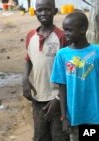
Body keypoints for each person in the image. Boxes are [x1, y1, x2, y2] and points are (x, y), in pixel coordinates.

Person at [22, 0, 69, 140]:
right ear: (35, 12)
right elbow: (28, 58)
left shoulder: (62, 37)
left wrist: (59, 98)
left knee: (59, 136)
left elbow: (69, 70)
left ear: (54, 11)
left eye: (47, 10)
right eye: (40, 10)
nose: (43, 13)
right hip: (38, 98)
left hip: (58, 99)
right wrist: (25, 78)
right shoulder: (31, 36)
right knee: (40, 136)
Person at [51, 12, 99, 141]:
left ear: (83, 29)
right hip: (74, 116)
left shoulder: (96, 52)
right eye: (64, 29)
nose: (65, 33)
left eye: (69, 30)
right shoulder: (62, 54)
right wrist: (63, 117)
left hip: (94, 115)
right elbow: (62, 87)